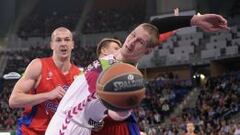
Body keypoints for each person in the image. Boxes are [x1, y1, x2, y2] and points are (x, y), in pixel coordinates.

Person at [45, 14, 229, 135]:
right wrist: (194, 20)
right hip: (69, 121)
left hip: (69, 126)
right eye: (133, 35)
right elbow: (154, 27)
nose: (131, 41)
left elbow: (117, 115)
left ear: (148, 50)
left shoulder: (124, 76)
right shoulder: (116, 58)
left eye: (139, 42)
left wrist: (121, 108)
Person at [8, 27, 81, 135]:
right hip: (31, 132)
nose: (63, 43)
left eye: (67, 39)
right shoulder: (38, 66)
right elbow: (13, 101)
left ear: (72, 44)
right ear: (52, 45)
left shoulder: (78, 75)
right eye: (58, 40)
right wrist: (48, 95)